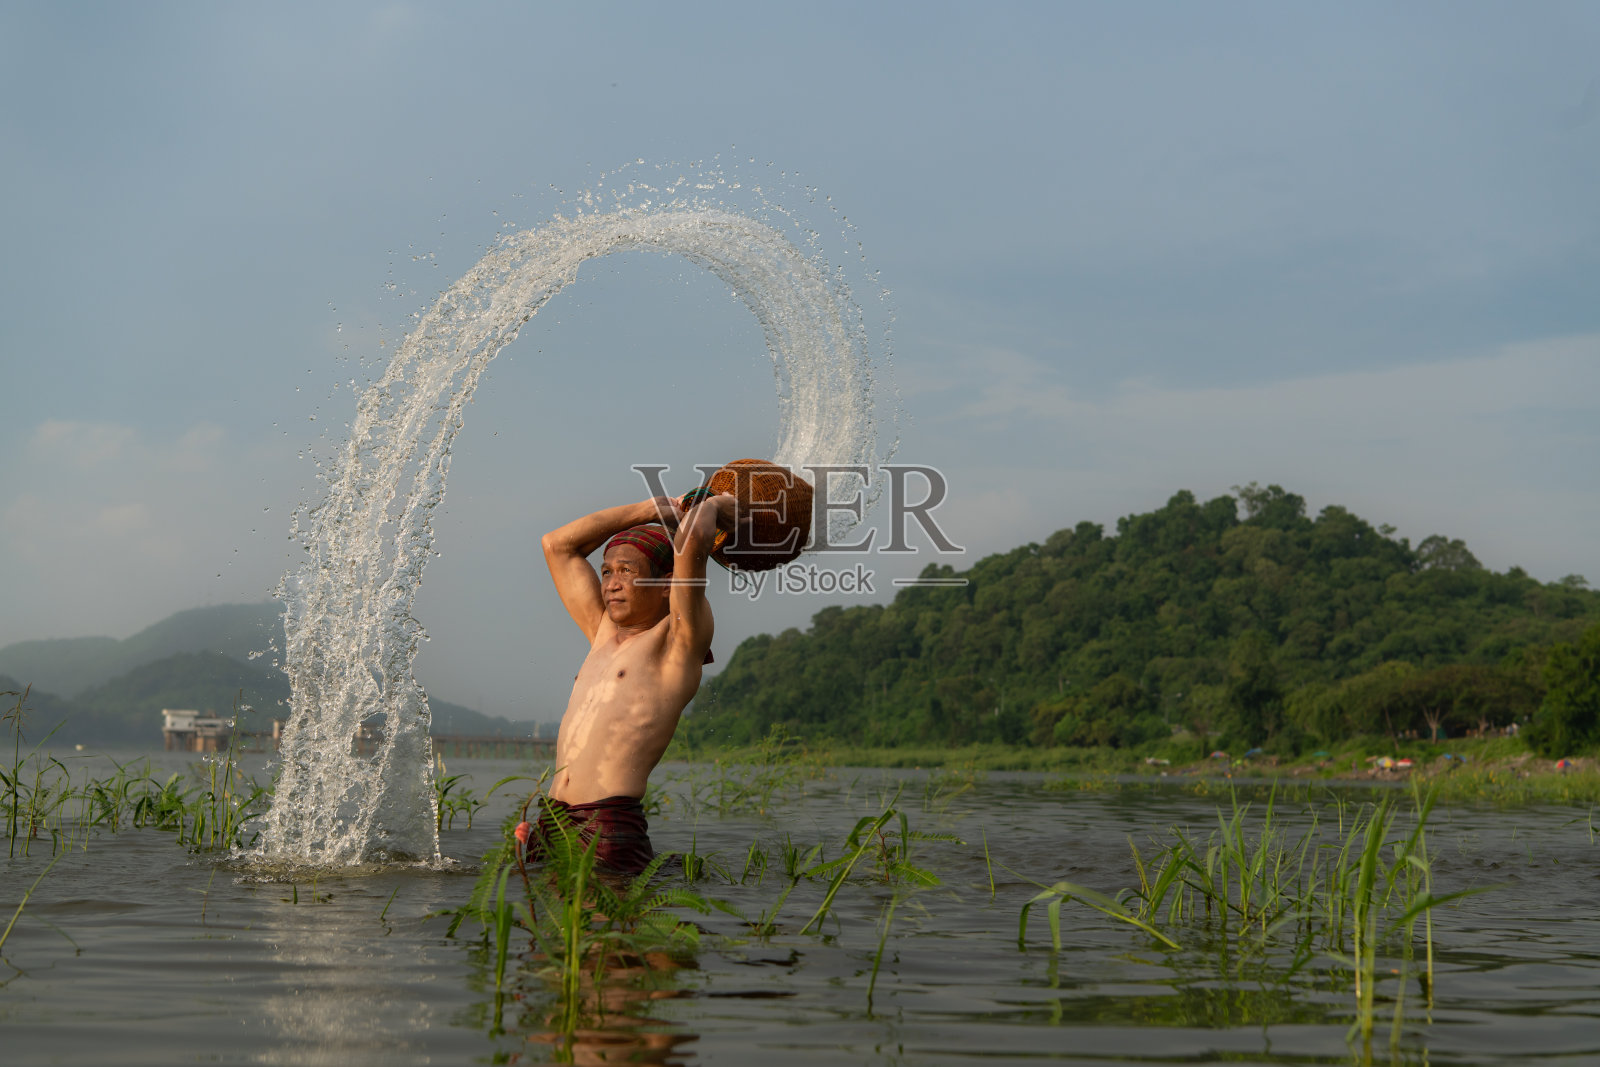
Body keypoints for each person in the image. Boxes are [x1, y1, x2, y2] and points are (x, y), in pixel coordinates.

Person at [519, 488, 738, 876]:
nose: (611, 584)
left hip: (605, 826)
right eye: (607, 572)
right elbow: (556, 545)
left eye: (627, 571)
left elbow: (691, 545)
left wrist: (717, 505)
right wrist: (647, 510)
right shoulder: (602, 632)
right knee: (544, 916)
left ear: (666, 585)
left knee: (608, 916)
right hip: (551, 821)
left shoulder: (677, 643)